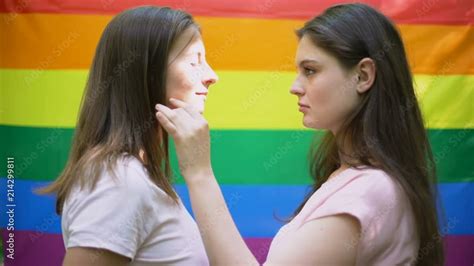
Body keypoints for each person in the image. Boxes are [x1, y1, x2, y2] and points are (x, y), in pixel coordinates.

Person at [155, 3, 443, 265]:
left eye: (310, 70)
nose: (295, 86)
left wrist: (199, 173)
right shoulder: (352, 177)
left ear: (363, 76)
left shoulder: (371, 192)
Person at [39, 6, 217, 265]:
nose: (212, 76)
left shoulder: (133, 175)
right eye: (194, 61)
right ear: (146, 73)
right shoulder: (116, 180)